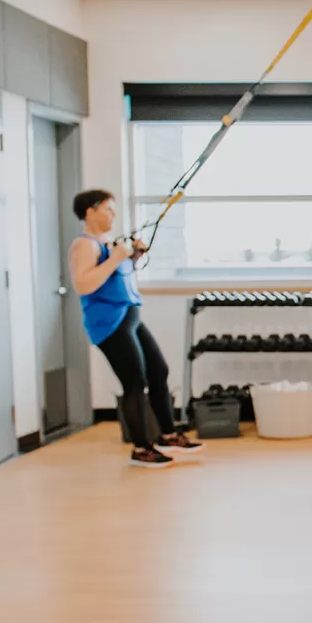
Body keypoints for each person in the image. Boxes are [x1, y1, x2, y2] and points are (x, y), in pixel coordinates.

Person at [66, 189, 203, 467]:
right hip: (109, 323)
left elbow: (112, 278)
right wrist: (117, 258)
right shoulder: (85, 245)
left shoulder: (106, 242)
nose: (113, 214)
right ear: (90, 212)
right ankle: (141, 449)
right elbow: (83, 284)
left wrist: (133, 257)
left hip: (130, 317)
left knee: (158, 371)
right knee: (134, 383)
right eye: (107, 209)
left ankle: (168, 433)